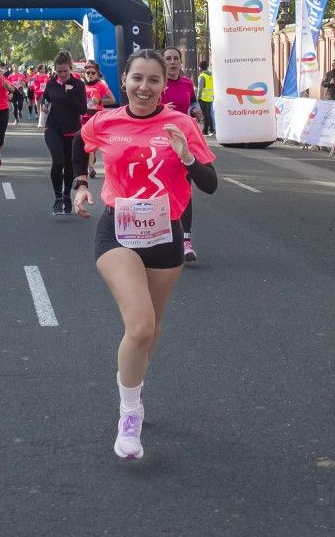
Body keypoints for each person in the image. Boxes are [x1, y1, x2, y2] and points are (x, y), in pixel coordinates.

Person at [74, 49, 218, 459]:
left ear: (163, 85)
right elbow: (81, 147)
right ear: (124, 80)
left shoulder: (182, 124)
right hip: (117, 230)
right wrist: (81, 183)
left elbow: (209, 185)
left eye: (153, 80)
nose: (144, 87)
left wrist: (186, 155)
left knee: (151, 330)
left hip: (164, 233)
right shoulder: (105, 121)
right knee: (138, 326)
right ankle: (130, 414)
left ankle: (133, 382)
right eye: (137, 78)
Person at [160, 47, 201, 262]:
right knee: (163, 189)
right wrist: (161, 107)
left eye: (176, 58)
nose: (173, 62)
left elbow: (192, 101)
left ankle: (185, 241)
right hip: (160, 142)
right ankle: (161, 234)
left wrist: (195, 109)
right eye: (168, 58)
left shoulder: (186, 83)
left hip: (184, 141)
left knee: (185, 189)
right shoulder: (157, 83)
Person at [41, 51, 88, 216]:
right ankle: (58, 197)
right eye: (58, 71)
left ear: (70, 68)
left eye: (65, 71)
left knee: (69, 165)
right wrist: (44, 105)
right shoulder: (52, 83)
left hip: (72, 130)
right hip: (53, 128)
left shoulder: (78, 84)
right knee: (58, 161)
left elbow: (83, 109)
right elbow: (45, 98)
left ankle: (67, 194)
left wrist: (70, 95)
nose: (61, 75)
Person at [76, 59, 116, 179]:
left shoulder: (101, 85)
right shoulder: (81, 86)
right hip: (84, 117)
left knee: (93, 144)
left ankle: (90, 163)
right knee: (87, 142)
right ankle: (90, 167)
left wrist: (99, 101)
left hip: (96, 116)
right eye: (88, 73)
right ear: (85, 74)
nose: (90, 75)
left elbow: (112, 100)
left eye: (93, 73)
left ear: (97, 74)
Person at [195, 60, 215, 136]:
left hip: (203, 98)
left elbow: (200, 89)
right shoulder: (211, 75)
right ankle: (212, 129)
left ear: (200, 68)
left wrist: (198, 98)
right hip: (210, 97)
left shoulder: (202, 76)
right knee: (209, 114)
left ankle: (205, 130)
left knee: (205, 115)